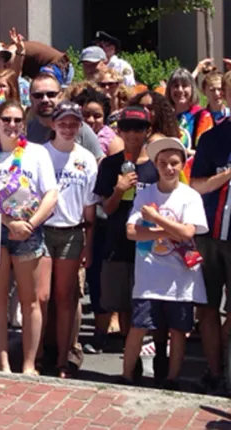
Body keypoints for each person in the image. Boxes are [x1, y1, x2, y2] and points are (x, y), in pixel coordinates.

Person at [122, 137, 208, 389]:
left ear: (182, 165)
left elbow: (188, 232)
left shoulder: (190, 196)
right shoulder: (146, 194)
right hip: (149, 275)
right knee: (139, 326)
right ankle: (127, 375)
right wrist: (168, 231)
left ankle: (172, 378)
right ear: (156, 164)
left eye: (173, 163)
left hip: (180, 278)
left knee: (178, 330)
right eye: (162, 163)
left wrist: (156, 219)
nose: (168, 168)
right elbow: (132, 231)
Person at [0, 99, 59, 374]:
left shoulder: (37, 153)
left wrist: (30, 224)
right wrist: (8, 222)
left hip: (29, 230)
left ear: (24, 125)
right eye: (6, 119)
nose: (11, 125)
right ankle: (2, 363)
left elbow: (51, 194)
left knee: (31, 300)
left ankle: (28, 364)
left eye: (17, 120)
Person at [38, 101, 98, 377]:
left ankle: (63, 360)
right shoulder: (40, 154)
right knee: (41, 297)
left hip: (72, 232)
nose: (68, 128)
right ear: (53, 124)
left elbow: (89, 208)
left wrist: (89, 243)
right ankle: (36, 355)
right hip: (42, 229)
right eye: (62, 122)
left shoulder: (87, 158)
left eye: (74, 123)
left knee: (65, 298)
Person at [93, 106, 158, 354]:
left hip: (151, 245)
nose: (133, 134)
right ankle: (130, 353)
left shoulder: (156, 165)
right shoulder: (110, 165)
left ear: (148, 131)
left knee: (148, 301)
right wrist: (119, 190)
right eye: (127, 128)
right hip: (118, 241)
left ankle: (151, 349)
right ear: (119, 131)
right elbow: (107, 209)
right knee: (122, 303)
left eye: (139, 128)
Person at [189, 89, 231, 394]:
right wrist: (227, 175)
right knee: (207, 308)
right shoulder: (213, 138)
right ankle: (215, 372)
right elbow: (196, 185)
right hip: (211, 236)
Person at [26, 73, 104, 160]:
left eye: (51, 94)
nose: (45, 99)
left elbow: (99, 161)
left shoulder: (80, 129)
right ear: (30, 98)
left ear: (61, 96)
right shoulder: (26, 131)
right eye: (38, 95)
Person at [166, 68, 213, 156]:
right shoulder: (165, 117)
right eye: (176, 86)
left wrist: (184, 152)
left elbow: (207, 152)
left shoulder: (203, 116)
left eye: (184, 86)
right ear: (169, 90)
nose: (180, 90)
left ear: (192, 89)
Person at [73, 87, 124, 156]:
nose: (90, 120)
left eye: (97, 116)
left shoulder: (113, 142)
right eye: (85, 115)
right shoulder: (68, 133)